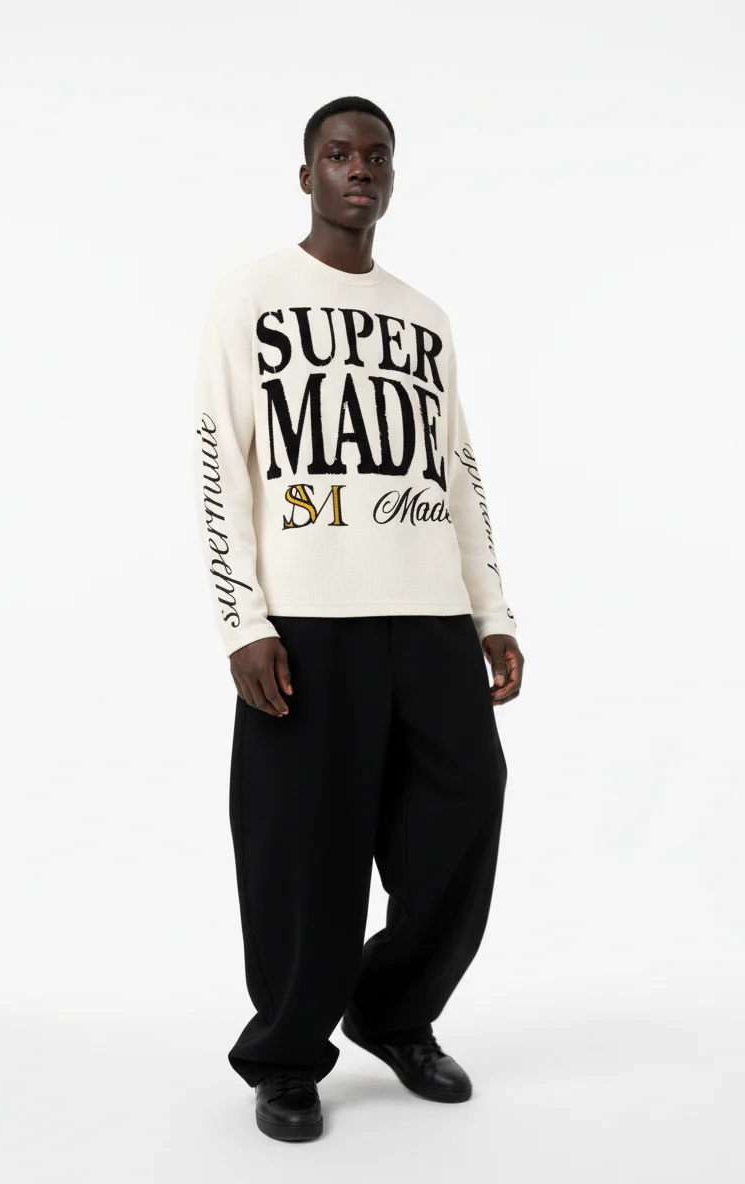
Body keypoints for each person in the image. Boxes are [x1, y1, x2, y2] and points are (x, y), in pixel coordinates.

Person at [193, 95, 524, 1142]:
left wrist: (491, 610)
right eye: (338, 154)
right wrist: (243, 620)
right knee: (304, 846)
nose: (358, 169)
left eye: (375, 155)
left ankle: (391, 1011)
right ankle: (288, 1054)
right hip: (308, 620)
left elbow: (458, 468)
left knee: (466, 805)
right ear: (307, 175)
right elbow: (220, 457)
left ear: (391, 175)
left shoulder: (425, 316)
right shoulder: (251, 295)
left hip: (429, 614)